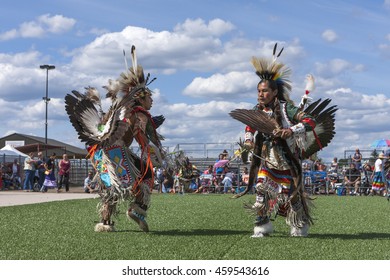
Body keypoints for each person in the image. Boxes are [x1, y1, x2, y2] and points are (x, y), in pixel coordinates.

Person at [230, 43, 337, 237]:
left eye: (264, 91)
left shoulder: (287, 109)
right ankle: (262, 227)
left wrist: (291, 130)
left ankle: (298, 224)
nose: (261, 95)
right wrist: (248, 140)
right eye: (258, 91)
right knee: (261, 189)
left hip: (288, 161)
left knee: (292, 197)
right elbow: (249, 127)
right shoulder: (257, 111)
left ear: (275, 93)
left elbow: (310, 121)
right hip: (268, 159)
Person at [65, 45, 166, 232]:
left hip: (99, 154)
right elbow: (143, 141)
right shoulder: (139, 114)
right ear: (140, 97)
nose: (152, 101)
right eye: (149, 97)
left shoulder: (117, 111)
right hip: (115, 153)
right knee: (147, 175)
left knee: (110, 189)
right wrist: (155, 151)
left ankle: (105, 223)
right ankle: (137, 209)